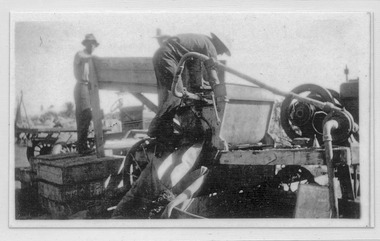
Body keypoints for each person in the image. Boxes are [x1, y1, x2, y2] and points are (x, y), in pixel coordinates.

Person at [147, 32, 231, 142]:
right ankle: (158, 130)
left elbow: (193, 71)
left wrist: (196, 92)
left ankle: (165, 130)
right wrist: (219, 93)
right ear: (219, 44)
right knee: (175, 95)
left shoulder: (200, 43)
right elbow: (213, 76)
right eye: (223, 51)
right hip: (168, 56)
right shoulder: (210, 46)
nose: (220, 54)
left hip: (164, 54)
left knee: (171, 95)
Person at [73, 34, 99, 155]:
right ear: (86, 44)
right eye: (90, 43)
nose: (92, 46)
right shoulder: (80, 54)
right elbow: (84, 58)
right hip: (81, 86)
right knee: (85, 114)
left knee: (87, 116)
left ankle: (82, 146)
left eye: (93, 44)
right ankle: (82, 147)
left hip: (89, 87)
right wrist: (94, 58)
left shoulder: (91, 58)